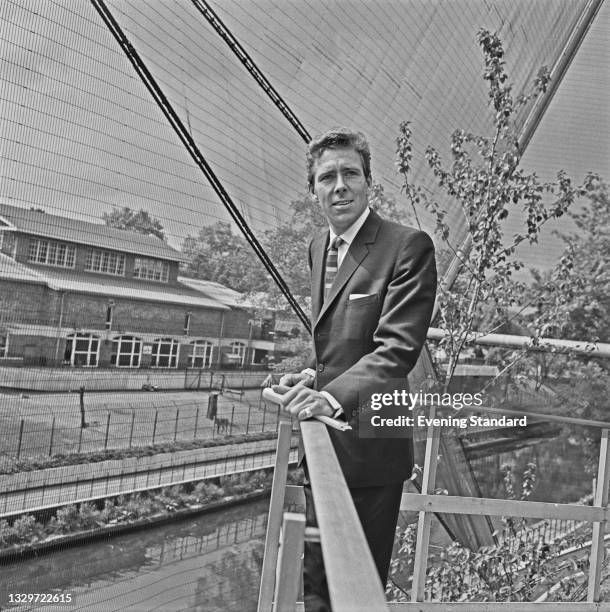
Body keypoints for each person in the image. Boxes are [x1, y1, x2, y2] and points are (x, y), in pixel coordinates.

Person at [278, 128, 437, 611]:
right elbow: (334, 340)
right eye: (328, 176)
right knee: (316, 588)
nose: (340, 185)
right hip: (323, 447)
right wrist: (309, 376)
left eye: (351, 173)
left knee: (357, 590)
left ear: (369, 182)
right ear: (314, 190)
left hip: (371, 450)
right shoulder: (317, 247)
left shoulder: (407, 246)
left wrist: (328, 397)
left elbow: (396, 350)